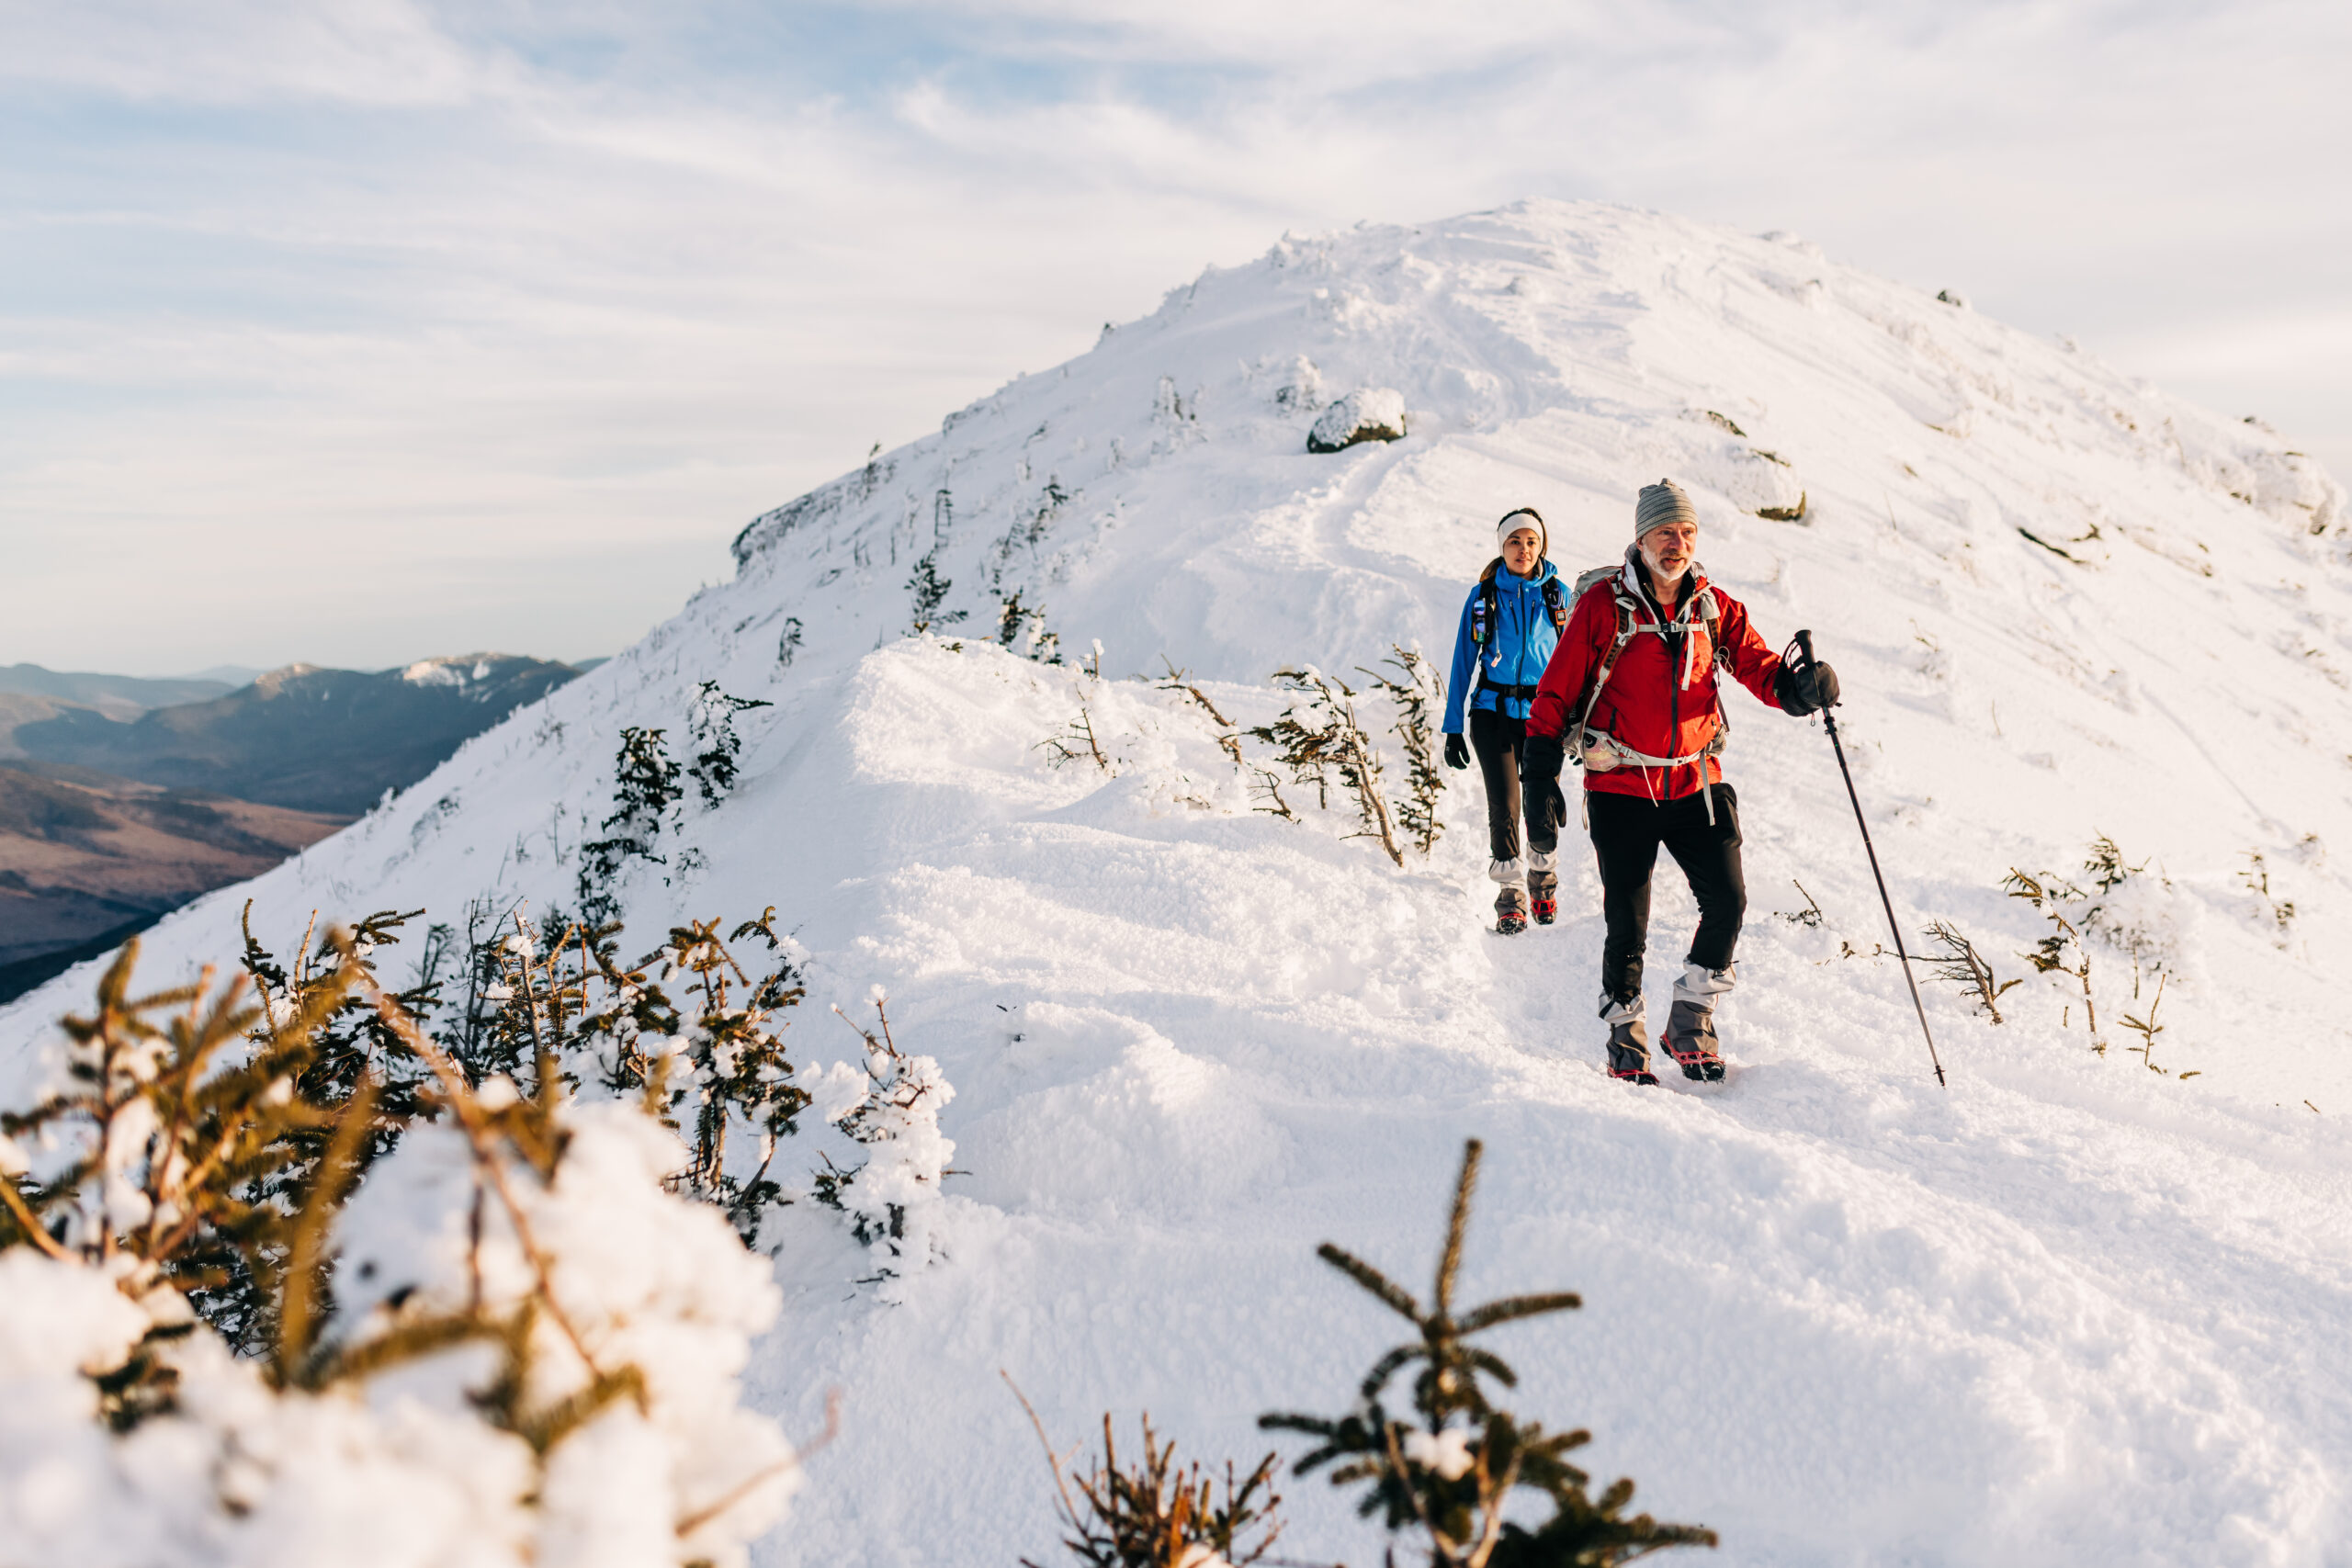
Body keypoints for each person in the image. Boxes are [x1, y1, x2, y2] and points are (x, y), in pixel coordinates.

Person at [1520, 479, 1840, 1084]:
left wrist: (1800, 689)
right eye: (1666, 531)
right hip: (1620, 785)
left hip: (1697, 783)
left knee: (1728, 900)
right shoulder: (1602, 608)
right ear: (1641, 538)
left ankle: (1691, 1017)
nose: (1678, 542)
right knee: (1628, 919)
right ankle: (1625, 1033)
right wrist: (1538, 773)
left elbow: (1757, 664)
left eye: (1688, 531)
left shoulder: (1713, 607)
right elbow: (1556, 691)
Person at [1441, 508, 1569, 934]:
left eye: (1531, 541)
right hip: (1492, 712)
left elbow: (1580, 664)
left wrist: (1585, 727)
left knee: (1540, 804)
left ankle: (1542, 879)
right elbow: (1463, 661)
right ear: (1502, 547)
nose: (1523, 549)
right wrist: (1453, 726)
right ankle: (1510, 893)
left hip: (1543, 716)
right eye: (1515, 541)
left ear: (1542, 546)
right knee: (1504, 806)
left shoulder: (1559, 597)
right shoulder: (1484, 597)